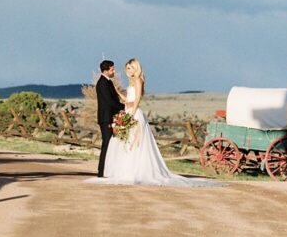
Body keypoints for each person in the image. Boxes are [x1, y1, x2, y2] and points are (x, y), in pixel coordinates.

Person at [90, 58, 219, 187]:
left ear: (135, 68)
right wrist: (120, 97)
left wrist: (130, 115)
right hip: (127, 113)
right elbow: (126, 99)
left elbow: (136, 101)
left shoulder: (139, 81)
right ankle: (119, 171)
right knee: (124, 143)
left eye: (128, 68)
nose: (125, 71)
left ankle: (135, 171)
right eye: (125, 69)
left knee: (135, 143)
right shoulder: (119, 82)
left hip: (134, 114)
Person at [94, 59, 124, 178]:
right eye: (112, 69)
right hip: (106, 118)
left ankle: (108, 170)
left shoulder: (108, 82)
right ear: (106, 70)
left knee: (111, 144)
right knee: (107, 144)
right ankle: (101, 171)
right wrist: (124, 107)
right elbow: (110, 102)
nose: (114, 71)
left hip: (111, 117)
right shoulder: (102, 83)